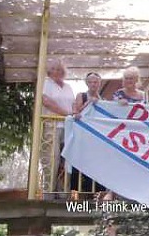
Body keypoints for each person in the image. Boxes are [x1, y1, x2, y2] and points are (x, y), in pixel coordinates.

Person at [41, 60, 75, 199]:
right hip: (52, 125)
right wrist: (66, 114)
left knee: (66, 160)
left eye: (60, 69)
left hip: (67, 126)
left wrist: (73, 114)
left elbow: (73, 105)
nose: (57, 72)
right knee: (51, 159)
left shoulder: (68, 86)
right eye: (54, 69)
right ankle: (49, 193)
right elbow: (47, 102)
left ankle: (64, 193)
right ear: (49, 71)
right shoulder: (46, 83)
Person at [71, 72, 105, 193]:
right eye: (90, 82)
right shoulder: (82, 95)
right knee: (79, 160)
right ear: (86, 83)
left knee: (95, 161)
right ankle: (75, 192)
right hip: (82, 134)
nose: (93, 84)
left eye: (95, 82)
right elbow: (76, 111)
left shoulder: (102, 100)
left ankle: (97, 192)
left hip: (95, 136)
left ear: (99, 83)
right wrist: (89, 102)